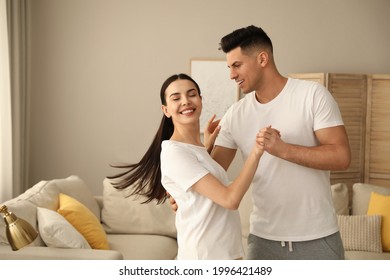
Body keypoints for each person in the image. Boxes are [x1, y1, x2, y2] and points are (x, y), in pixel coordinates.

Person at [209, 25, 351, 260]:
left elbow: (341, 156)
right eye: (229, 67)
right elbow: (211, 176)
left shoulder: (312, 95)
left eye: (237, 65)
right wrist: (184, 194)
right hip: (263, 241)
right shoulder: (236, 114)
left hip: (319, 237)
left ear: (262, 58)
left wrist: (283, 150)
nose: (231, 75)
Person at [108, 73, 266, 260]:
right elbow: (230, 200)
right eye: (176, 98)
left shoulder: (193, 150)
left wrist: (207, 146)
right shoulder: (174, 153)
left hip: (224, 254)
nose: (185, 101)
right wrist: (256, 152)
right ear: (166, 110)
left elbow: (201, 188)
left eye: (191, 94)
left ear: (200, 100)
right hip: (204, 257)